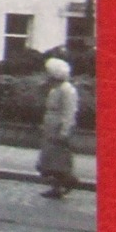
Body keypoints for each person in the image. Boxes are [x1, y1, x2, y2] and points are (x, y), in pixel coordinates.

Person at [37, 57, 81, 198]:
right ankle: (56, 187)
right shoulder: (55, 89)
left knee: (59, 160)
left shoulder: (67, 90)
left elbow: (69, 112)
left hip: (59, 128)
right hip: (51, 128)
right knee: (51, 160)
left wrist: (64, 130)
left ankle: (69, 181)